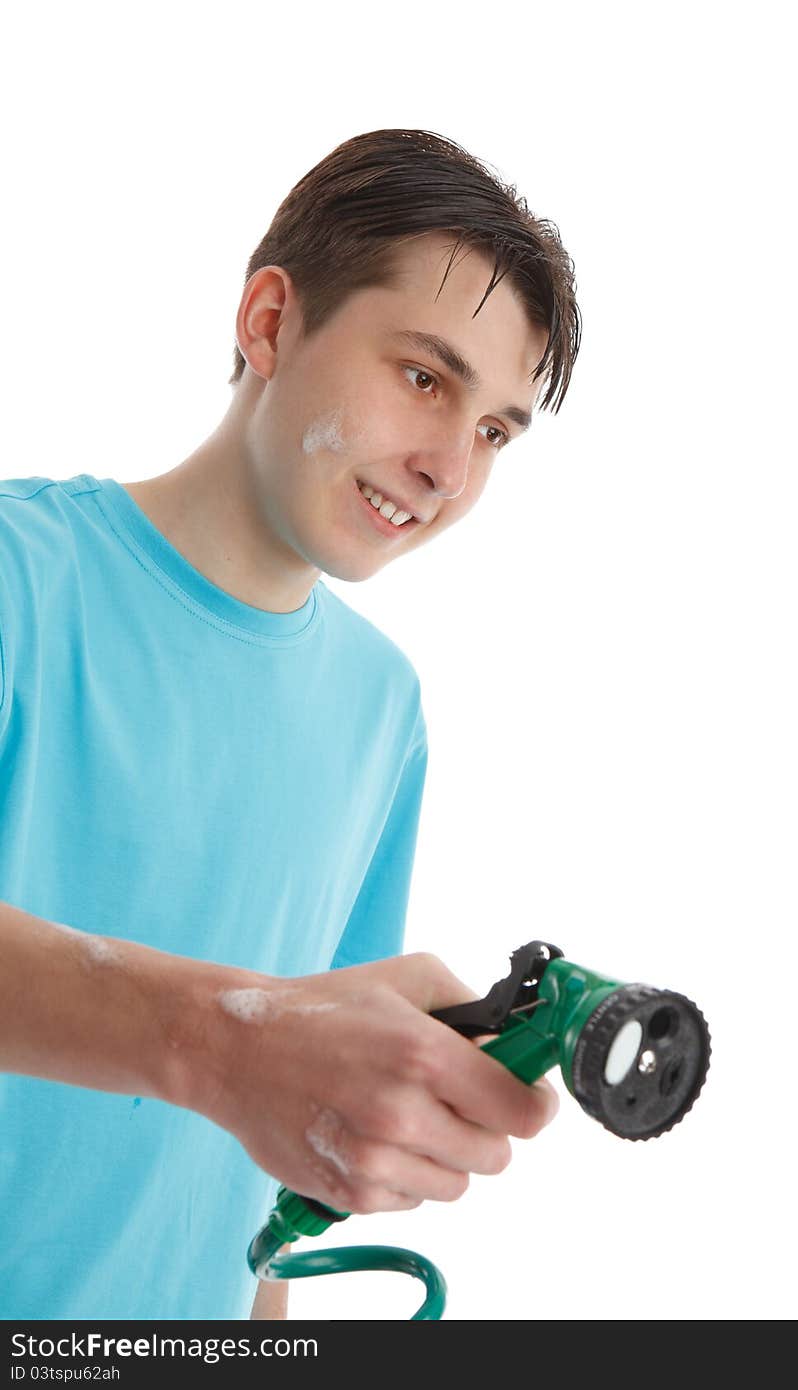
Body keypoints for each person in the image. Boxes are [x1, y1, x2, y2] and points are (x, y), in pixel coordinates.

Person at [0, 128, 582, 1320]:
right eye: (425, 377)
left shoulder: (384, 712)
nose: (448, 472)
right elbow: (249, 1055)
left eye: (494, 431)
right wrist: (215, 1040)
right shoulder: (22, 581)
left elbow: (263, 1179)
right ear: (269, 323)